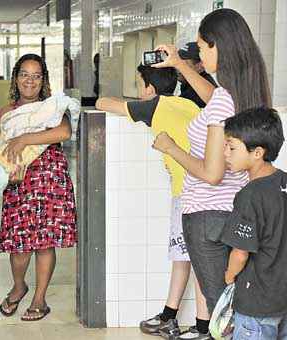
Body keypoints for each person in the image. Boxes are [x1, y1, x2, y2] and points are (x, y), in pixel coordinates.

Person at [152, 8, 271, 339]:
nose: (201, 56)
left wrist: (172, 148)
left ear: (220, 47)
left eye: (203, 48)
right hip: (231, 213)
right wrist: (180, 65)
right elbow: (212, 97)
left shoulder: (223, 103)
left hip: (206, 217)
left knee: (222, 313)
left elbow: (212, 172)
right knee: (233, 304)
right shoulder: (245, 95)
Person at [96, 64, 210, 339]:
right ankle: (169, 315)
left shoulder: (155, 106)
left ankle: (204, 327)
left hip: (190, 192)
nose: (138, 89)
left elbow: (102, 102)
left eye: (139, 83)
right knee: (182, 255)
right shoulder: (186, 104)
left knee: (197, 259)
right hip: (199, 188)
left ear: (149, 88)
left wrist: (136, 103)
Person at [0, 54, 77, 321]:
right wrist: (8, 171)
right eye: (24, 75)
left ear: (43, 81)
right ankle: (19, 286)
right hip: (19, 181)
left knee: (44, 243)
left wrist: (25, 138)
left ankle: (39, 299)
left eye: (36, 76)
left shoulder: (52, 107)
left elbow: (63, 132)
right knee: (19, 245)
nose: (30, 81)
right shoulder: (5, 113)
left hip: (49, 180)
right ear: (16, 78)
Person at [221, 107, 287, 340]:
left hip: (257, 304)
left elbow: (240, 253)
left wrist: (229, 277)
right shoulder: (284, 182)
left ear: (257, 152)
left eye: (231, 147)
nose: (225, 153)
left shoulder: (250, 195)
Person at [177, 42, 217, 108]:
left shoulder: (198, 93)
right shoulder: (190, 85)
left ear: (200, 66)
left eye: (184, 64)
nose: (177, 68)